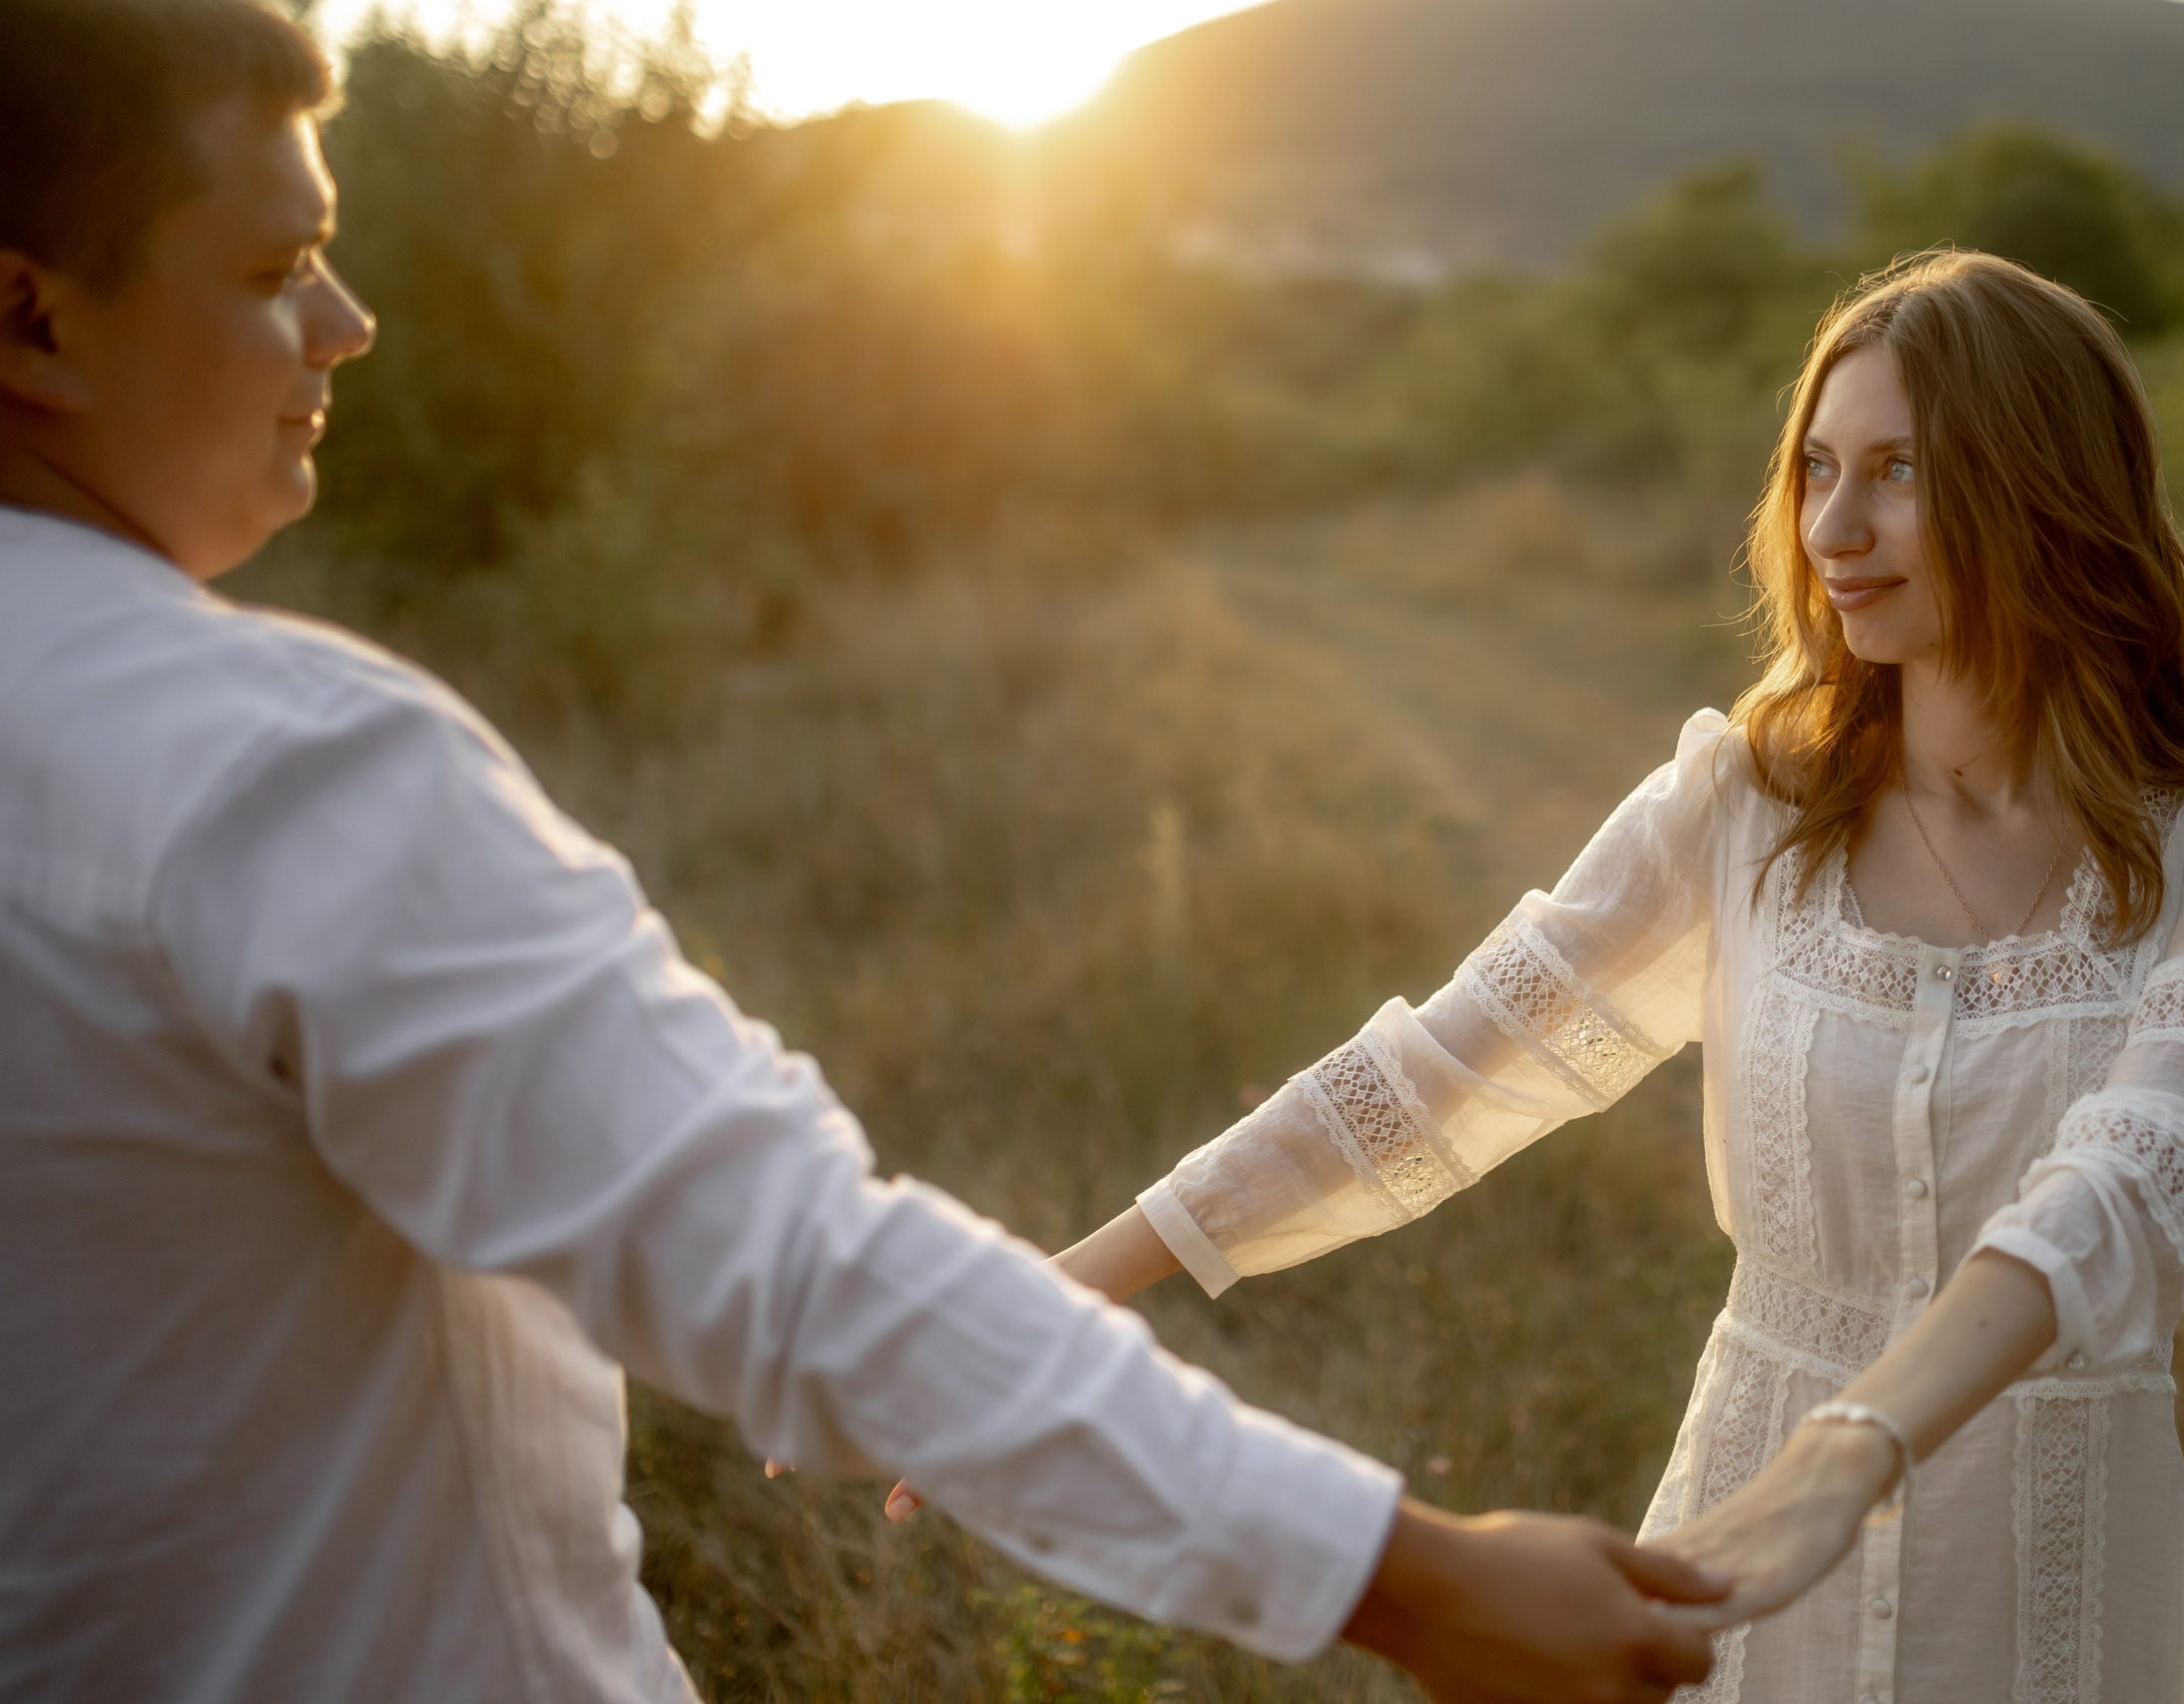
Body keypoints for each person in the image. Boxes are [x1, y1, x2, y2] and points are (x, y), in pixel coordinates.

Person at [0, 2, 1733, 1700]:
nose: (346, 321)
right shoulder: (277, 767)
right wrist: (1416, 1582)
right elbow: (796, 1267)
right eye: (267, 268)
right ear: (32, 321)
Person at [943, 251, 2184, 1702]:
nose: (1835, 526)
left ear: (2045, 488)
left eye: (1901, 470)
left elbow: (2132, 1181)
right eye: (1816, 467)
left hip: (2055, 1598)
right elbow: (1444, 1074)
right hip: (1738, 1581)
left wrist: (1846, 1456)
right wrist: (1069, 1289)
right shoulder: (1740, 807)